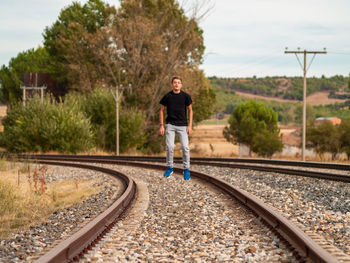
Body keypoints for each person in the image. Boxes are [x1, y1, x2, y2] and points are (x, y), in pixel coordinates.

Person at [159, 76, 193, 180]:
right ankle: (170, 168)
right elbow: (161, 110)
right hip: (170, 125)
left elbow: (190, 110)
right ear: (172, 84)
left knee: (185, 148)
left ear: (181, 85)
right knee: (170, 147)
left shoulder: (186, 96)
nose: (176, 84)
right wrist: (161, 125)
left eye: (178, 82)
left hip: (183, 126)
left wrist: (190, 125)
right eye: (175, 82)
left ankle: (186, 169)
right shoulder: (167, 96)